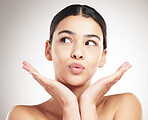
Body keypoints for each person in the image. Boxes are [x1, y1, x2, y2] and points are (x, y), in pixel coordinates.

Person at [6, 4, 142, 120]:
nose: (77, 53)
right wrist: (68, 104)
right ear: (48, 50)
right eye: (66, 40)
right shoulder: (23, 115)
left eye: (90, 42)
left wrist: (88, 103)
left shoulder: (125, 105)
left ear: (102, 57)